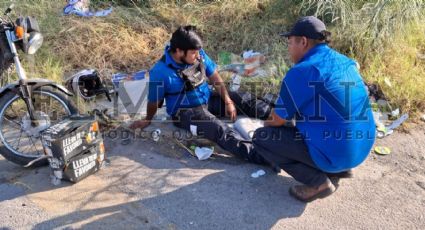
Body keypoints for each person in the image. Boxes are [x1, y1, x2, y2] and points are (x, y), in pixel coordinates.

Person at [249, 16, 376, 202]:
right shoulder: (343, 60)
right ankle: (339, 169)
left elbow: (277, 120)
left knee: (262, 137)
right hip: (361, 149)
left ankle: (318, 182)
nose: (289, 48)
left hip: (338, 153)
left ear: (303, 41)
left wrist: (262, 124)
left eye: (290, 42)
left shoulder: (303, 71)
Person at [130, 25, 271, 162]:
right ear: (179, 51)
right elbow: (154, 101)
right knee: (219, 129)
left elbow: (214, 76)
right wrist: (148, 119)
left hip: (207, 98)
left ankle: (282, 117)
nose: (197, 56)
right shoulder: (160, 72)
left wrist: (228, 101)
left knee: (243, 98)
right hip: (185, 112)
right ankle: (263, 156)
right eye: (193, 53)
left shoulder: (198, 54)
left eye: (198, 52)